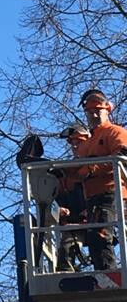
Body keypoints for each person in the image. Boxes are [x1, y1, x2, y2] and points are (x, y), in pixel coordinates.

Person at [76, 89, 127, 271]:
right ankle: (101, 272)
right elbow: (76, 170)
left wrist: (93, 168)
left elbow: (122, 154)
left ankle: (108, 274)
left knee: (101, 234)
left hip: (111, 192)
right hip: (91, 197)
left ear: (107, 109)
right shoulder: (87, 143)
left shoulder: (114, 132)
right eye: (90, 112)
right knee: (94, 237)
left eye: (98, 110)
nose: (94, 114)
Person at [54, 122, 90, 272]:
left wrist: (91, 209)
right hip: (74, 223)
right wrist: (58, 209)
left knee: (101, 248)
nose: (75, 147)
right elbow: (57, 195)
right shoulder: (67, 171)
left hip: (97, 219)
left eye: (79, 142)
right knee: (67, 247)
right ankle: (66, 270)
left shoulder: (102, 165)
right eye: (72, 143)